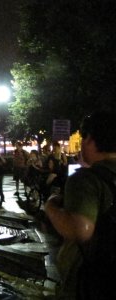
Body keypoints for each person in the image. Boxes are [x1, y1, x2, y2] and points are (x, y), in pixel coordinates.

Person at [44, 111, 116, 299]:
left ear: (91, 140)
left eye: (83, 137)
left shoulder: (86, 179)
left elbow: (80, 229)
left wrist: (50, 206)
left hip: (89, 281)